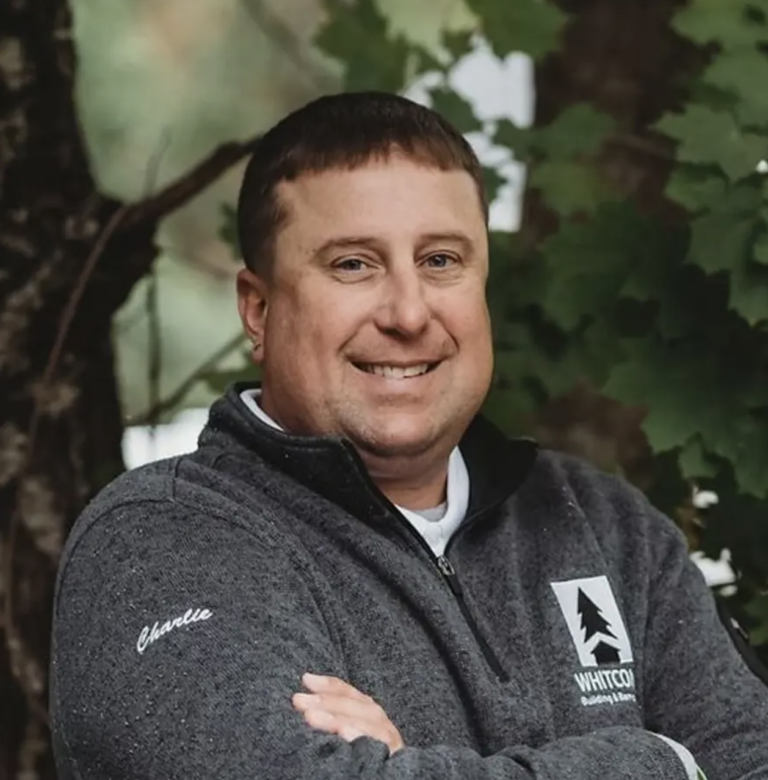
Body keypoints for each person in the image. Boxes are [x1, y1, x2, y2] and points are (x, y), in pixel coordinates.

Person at [50, 92, 768, 780]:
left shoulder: (606, 529)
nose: (408, 312)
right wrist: (663, 763)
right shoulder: (164, 544)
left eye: (441, 261)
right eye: (353, 264)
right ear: (259, 309)